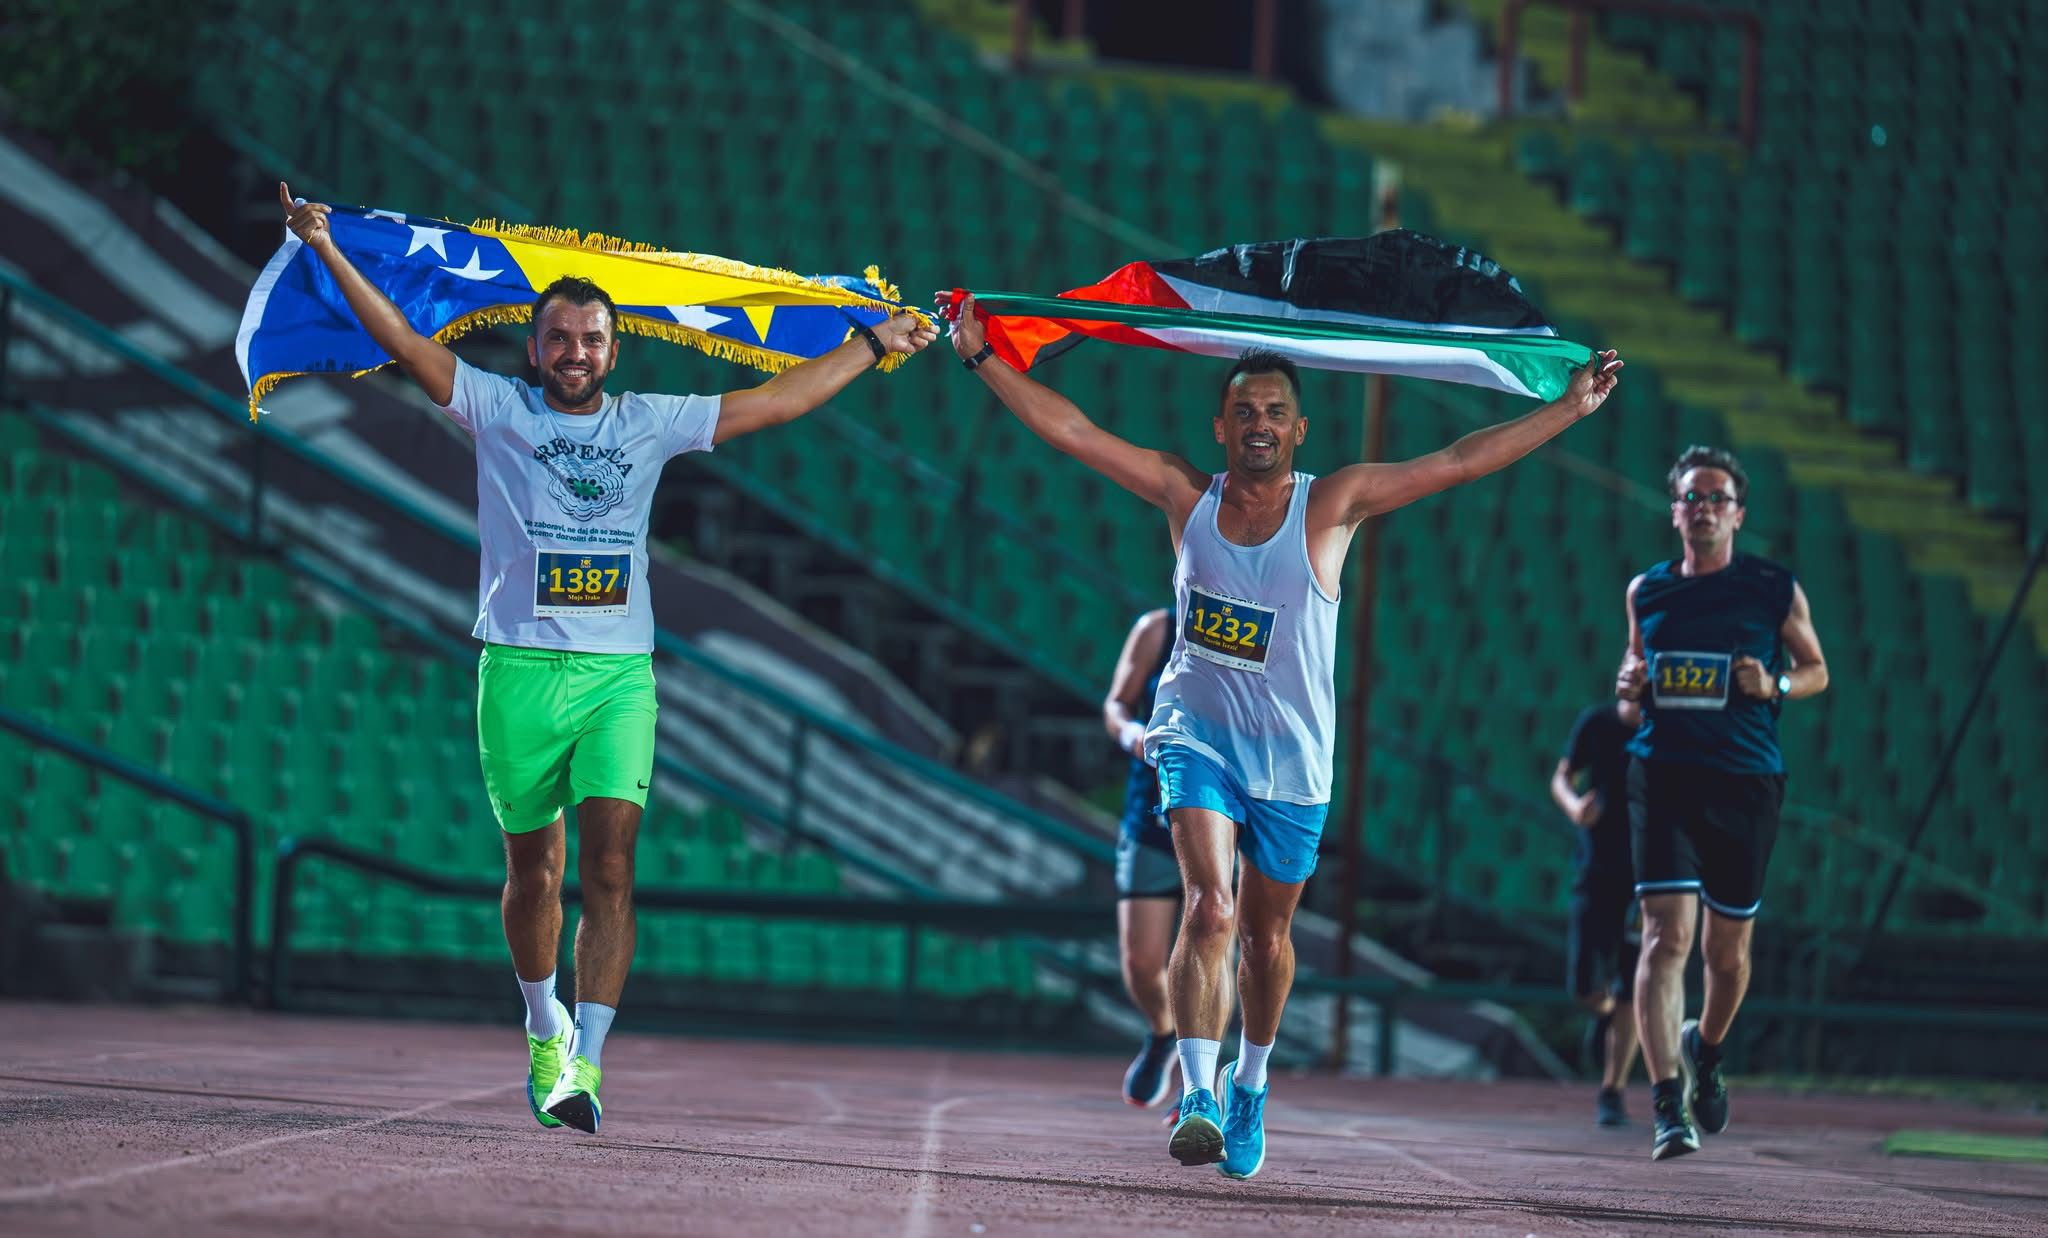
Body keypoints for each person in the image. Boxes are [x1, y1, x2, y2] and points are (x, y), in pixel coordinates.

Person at [280, 184, 936, 1133]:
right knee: (534, 875)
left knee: (613, 869)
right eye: (559, 338)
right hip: (516, 671)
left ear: (613, 351)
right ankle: (542, 1024)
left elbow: (775, 401)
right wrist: (328, 247)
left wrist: (874, 344)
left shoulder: (648, 422)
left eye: (591, 339)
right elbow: (405, 343)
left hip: (619, 678)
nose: (575, 352)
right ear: (534, 346)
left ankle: (584, 1062)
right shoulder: (496, 407)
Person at [942, 291, 1621, 1178]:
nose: (1258, 424)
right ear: (1220, 427)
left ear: (1298, 430)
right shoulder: (1184, 494)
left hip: (1294, 762)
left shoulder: (1333, 504)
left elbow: (1458, 460)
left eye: (1273, 412)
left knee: (1266, 941)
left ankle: (1250, 1084)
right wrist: (980, 356)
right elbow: (1073, 432)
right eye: (1244, 412)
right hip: (1195, 734)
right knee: (1209, 907)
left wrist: (1567, 408)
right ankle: (1197, 1093)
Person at [1615, 445, 1828, 1161]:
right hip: (1663, 776)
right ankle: (1666, 1106)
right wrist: (1628, 690)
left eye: (1716, 498)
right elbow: (1631, 689)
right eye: (1691, 497)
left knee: (1726, 955)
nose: (1703, 508)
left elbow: (1816, 669)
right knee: (1664, 936)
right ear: (1674, 511)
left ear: (1738, 514)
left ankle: (1705, 1049)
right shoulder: (1647, 591)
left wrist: (1776, 685)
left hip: (1745, 782)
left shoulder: (1772, 588)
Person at [1104, 605, 1185, 1114]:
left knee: (1214, 949)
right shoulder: (1159, 629)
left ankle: (1199, 1087)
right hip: (1151, 815)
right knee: (1140, 962)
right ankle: (1163, 1031)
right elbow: (1115, 705)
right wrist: (1134, 735)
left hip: (1226, 816)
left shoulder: (1258, 624)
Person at [1549, 693, 1643, 1127]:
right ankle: (1602, 1015)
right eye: (1631, 662)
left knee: (1633, 985)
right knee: (1583, 984)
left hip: (1646, 879)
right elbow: (1562, 777)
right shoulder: (1597, 722)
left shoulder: (1669, 729)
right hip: (1595, 870)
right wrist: (1575, 807)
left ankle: (1612, 1089)